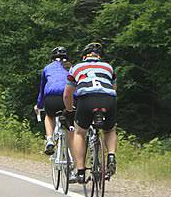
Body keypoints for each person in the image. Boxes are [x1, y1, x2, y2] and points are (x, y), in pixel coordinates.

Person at [64, 42, 118, 183]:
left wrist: (70, 109)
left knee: (79, 133)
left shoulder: (76, 67)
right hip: (108, 99)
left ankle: (81, 171)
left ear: (84, 56)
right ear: (100, 56)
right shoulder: (108, 67)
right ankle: (111, 155)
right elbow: (114, 88)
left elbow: (67, 95)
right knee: (110, 130)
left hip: (87, 99)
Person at [35, 46, 71, 155]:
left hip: (51, 98)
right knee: (72, 121)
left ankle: (50, 139)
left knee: (49, 116)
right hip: (68, 97)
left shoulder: (47, 68)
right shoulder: (71, 68)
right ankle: (74, 158)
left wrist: (39, 105)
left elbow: (42, 90)